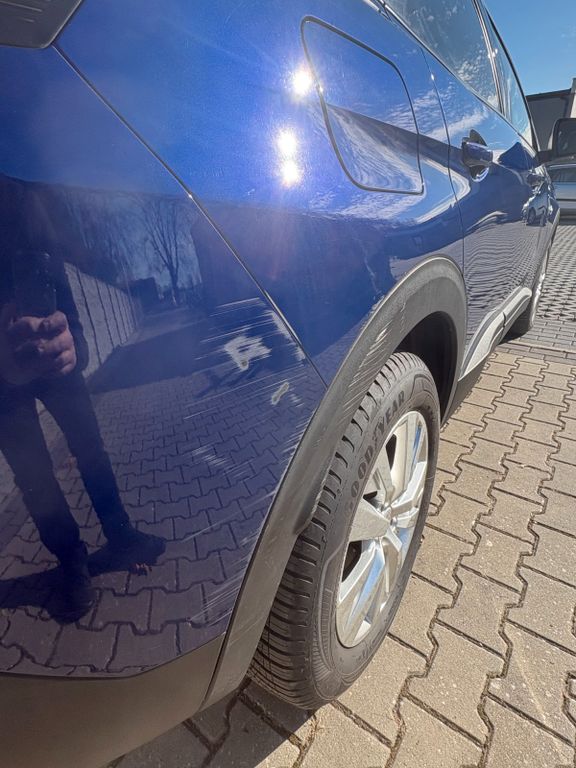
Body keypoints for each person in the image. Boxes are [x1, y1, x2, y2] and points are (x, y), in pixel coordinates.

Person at [0, 251, 164, 619]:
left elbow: (58, 283)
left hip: (58, 366)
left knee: (91, 449)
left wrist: (75, 344)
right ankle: (71, 559)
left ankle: (120, 533)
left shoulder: (24, 218)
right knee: (33, 476)